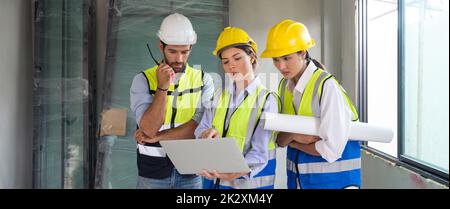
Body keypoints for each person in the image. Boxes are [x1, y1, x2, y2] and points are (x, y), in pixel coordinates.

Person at [260, 19, 361, 189]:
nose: (281, 66)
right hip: (299, 181)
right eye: (276, 59)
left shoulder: (326, 86)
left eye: (287, 58)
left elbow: (331, 150)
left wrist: (293, 139)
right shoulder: (284, 86)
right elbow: (279, 138)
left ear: (303, 53)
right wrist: (292, 136)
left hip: (334, 182)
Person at [130, 13, 214, 189]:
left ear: (191, 47)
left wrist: (157, 137)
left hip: (191, 170)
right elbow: (149, 128)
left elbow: (198, 125)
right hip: (152, 172)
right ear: (161, 46)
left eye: (185, 52)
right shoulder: (143, 79)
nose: (179, 59)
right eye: (173, 51)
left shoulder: (204, 80)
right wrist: (162, 87)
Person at [194, 27, 279, 189]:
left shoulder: (267, 100)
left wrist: (227, 173)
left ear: (252, 57)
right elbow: (201, 129)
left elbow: (259, 154)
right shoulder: (219, 96)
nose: (231, 66)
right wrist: (205, 135)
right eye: (225, 61)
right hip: (213, 183)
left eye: (237, 58)